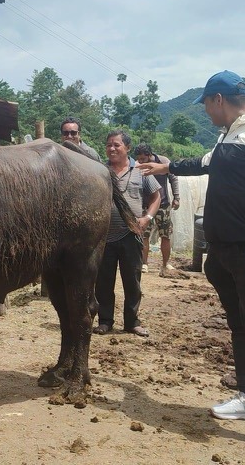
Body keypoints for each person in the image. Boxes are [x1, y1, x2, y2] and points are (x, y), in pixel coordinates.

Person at [138, 71, 245, 460]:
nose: (206, 112)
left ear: (218, 99)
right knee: (238, 325)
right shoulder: (228, 135)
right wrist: (166, 167)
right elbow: (203, 163)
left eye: (206, 105)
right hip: (222, 252)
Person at [93, 131, 161, 338]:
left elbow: (156, 196)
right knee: (104, 282)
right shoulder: (101, 171)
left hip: (131, 235)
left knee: (132, 281)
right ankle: (105, 321)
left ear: (127, 148)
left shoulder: (140, 171)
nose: (111, 149)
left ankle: (132, 322)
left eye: (116, 145)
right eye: (108, 145)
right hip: (105, 236)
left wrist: (147, 218)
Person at [133, 144, 180, 276]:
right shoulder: (137, 165)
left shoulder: (163, 162)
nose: (141, 161)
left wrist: (177, 197)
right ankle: (144, 263)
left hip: (163, 204)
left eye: (143, 158)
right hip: (145, 206)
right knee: (144, 235)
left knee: (165, 235)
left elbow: (173, 179)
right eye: (139, 159)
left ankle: (165, 264)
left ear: (150, 155)